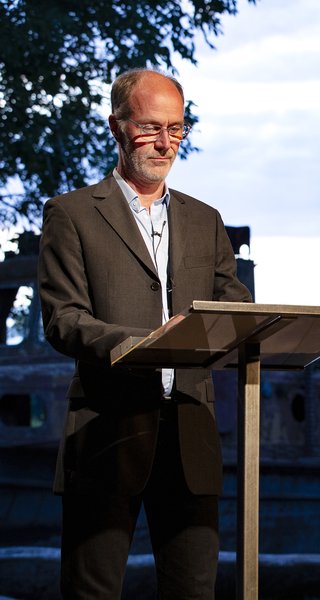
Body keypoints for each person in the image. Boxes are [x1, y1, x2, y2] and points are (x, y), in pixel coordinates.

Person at [38, 68, 253, 599]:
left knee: (195, 592)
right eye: (151, 127)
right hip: (107, 434)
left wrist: (260, 323)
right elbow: (63, 319)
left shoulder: (206, 220)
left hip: (190, 438)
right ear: (116, 127)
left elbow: (236, 308)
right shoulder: (70, 214)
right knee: (92, 592)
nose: (165, 143)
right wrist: (139, 345)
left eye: (177, 129)